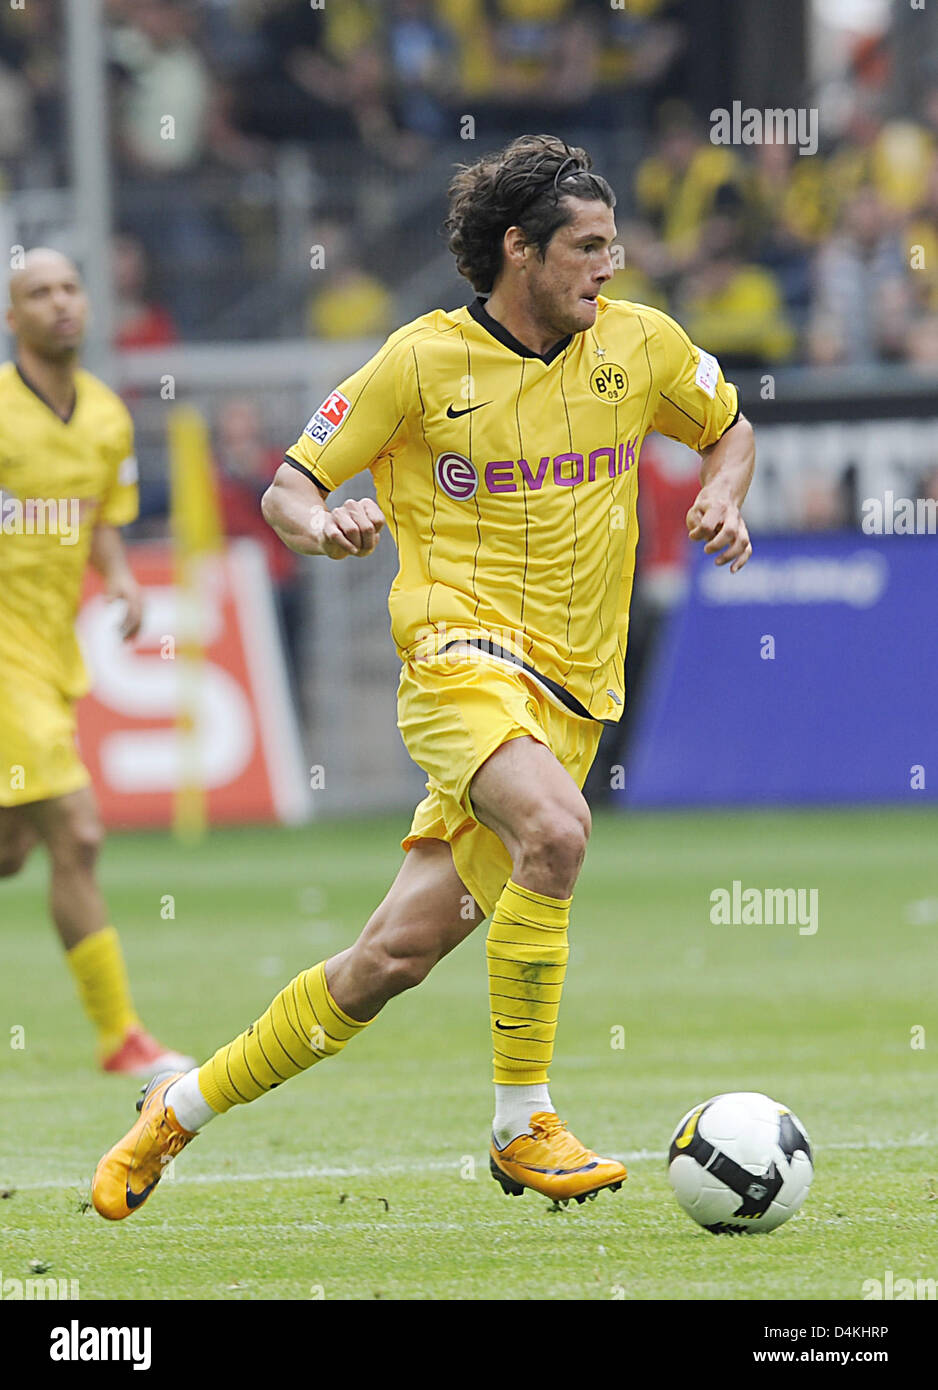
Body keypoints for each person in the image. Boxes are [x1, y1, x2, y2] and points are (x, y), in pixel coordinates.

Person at [92, 135, 754, 1220]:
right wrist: (324, 524)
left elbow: (729, 431)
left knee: (387, 960)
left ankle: (177, 1107)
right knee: (557, 831)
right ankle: (520, 1120)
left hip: (573, 697)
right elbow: (290, 486)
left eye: (612, 244)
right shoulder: (417, 363)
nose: (608, 265)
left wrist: (721, 492)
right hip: (456, 662)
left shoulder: (640, 345)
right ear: (518, 250)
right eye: (585, 247)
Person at [0, 248, 195, 1079]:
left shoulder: (110, 417)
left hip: (50, 656)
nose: (59, 304)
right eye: (38, 293)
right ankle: (122, 1036)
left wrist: (118, 580)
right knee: (77, 832)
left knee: (11, 850)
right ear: (12, 319)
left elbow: (100, 519)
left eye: (70, 289)